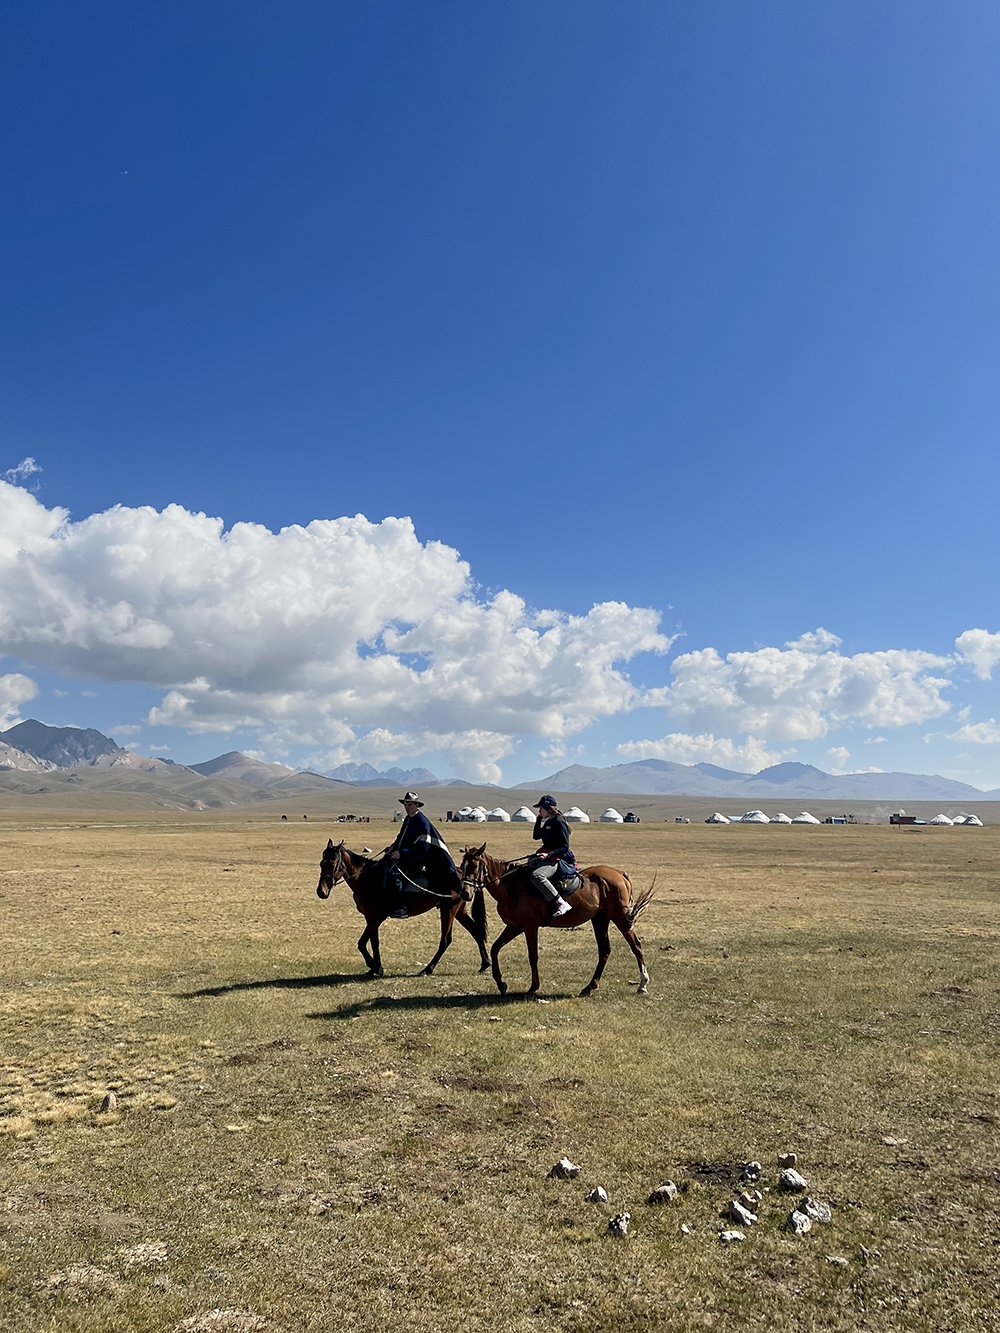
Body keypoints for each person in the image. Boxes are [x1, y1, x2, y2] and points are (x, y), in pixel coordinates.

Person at [385, 791, 459, 918]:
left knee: (397, 876)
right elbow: (401, 838)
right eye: (406, 804)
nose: (407, 807)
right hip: (407, 856)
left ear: (417, 805)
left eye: (410, 804)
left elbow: (423, 848)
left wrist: (402, 854)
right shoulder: (409, 819)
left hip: (418, 860)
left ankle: (401, 908)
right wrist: (392, 847)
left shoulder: (422, 821)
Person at [528, 795, 574, 920]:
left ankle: (561, 903)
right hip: (546, 855)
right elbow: (536, 836)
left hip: (557, 858)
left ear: (548, 808)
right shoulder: (549, 821)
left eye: (540, 808)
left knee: (537, 876)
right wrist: (538, 820)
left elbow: (565, 847)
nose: (539, 811)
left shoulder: (559, 822)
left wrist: (549, 855)